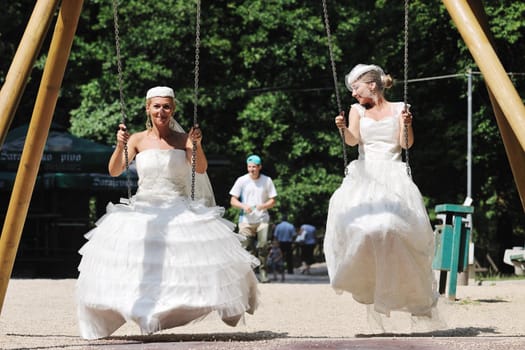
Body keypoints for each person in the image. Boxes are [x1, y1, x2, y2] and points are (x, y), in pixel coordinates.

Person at [76, 86, 260, 340]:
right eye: (156, 106)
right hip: (145, 205)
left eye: (166, 106)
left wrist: (197, 145)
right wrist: (120, 146)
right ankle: (136, 309)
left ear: (172, 109)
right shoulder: (137, 139)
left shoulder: (183, 139)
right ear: (147, 108)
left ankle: (173, 309)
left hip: (177, 203)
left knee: (192, 256)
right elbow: (115, 170)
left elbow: (201, 168)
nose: (161, 111)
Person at [323, 64, 439, 331]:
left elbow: (406, 143)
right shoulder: (357, 111)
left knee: (389, 228)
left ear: (372, 86)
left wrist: (407, 125)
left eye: (356, 88)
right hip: (364, 175)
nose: (353, 94)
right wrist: (342, 129)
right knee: (363, 229)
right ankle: (365, 280)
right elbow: (353, 141)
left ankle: (397, 285)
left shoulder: (400, 108)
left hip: (393, 175)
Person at [229, 154, 277, 283]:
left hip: (262, 219)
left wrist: (263, 205)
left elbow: (273, 200)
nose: (251, 169)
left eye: (254, 167)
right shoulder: (242, 180)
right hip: (246, 221)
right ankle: (249, 275)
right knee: (246, 248)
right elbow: (233, 200)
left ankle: (263, 273)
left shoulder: (267, 181)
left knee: (263, 245)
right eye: (249, 167)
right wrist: (243, 206)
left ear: (259, 167)